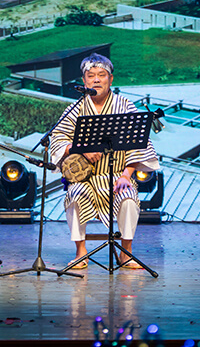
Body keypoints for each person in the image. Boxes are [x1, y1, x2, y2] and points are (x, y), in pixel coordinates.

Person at [50, 53, 159, 269]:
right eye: (91, 76)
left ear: (111, 79)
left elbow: (140, 143)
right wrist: (80, 148)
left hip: (117, 175)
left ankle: (125, 252)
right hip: (86, 179)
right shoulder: (74, 109)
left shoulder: (124, 105)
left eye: (102, 75)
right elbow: (58, 139)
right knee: (74, 196)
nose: (97, 80)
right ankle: (81, 252)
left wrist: (126, 175)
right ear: (84, 80)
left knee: (128, 198)